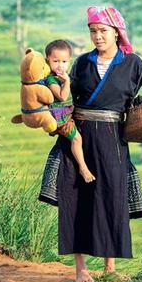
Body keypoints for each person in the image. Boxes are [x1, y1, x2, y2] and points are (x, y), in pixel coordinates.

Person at [38, 5, 142, 282]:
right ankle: (81, 270)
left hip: (113, 140)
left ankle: (109, 269)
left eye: (102, 31)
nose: (97, 37)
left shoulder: (134, 63)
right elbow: (65, 98)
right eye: (93, 31)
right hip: (79, 135)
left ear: (116, 32)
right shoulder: (81, 63)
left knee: (112, 199)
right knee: (76, 200)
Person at [44, 39, 96, 183]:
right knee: (77, 139)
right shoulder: (51, 80)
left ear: (69, 61)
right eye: (56, 61)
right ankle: (83, 167)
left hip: (67, 115)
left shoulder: (60, 77)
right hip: (60, 119)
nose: (60, 65)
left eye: (64, 62)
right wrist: (66, 82)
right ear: (47, 60)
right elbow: (62, 96)